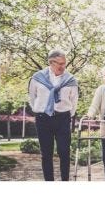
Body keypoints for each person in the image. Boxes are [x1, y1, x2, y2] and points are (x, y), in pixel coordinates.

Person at [29, 49, 79, 181]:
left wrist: (67, 114)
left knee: (64, 152)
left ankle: (65, 181)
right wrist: (40, 111)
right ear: (51, 62)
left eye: (64, 63)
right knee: (46, 154)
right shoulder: (37, 78)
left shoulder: (71, 80)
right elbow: (32, 97)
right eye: (60, 64)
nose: (63, 66)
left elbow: (74, 101)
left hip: (62, 118)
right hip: (43, 119)